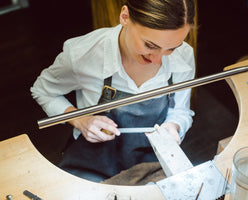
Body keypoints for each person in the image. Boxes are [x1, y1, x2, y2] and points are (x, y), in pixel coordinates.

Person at [31, 0, 196, 182]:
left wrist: (174, 126)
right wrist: (80, 119)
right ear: (124, 16)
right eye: (150, 45)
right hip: (92, 165)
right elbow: (43, 91)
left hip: (151, 164)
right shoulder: (85, 54)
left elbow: (180, 111)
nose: (158, 60)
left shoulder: (183, 56)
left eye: (171, 48)